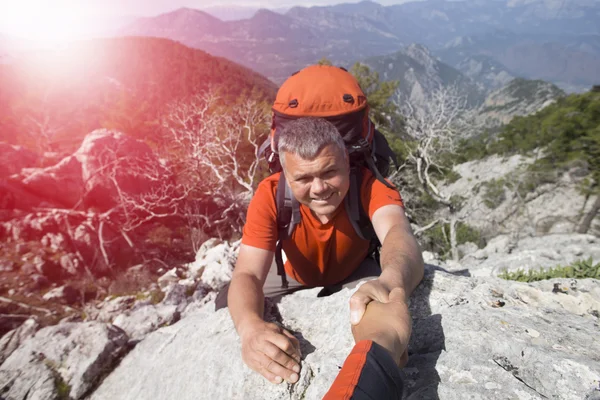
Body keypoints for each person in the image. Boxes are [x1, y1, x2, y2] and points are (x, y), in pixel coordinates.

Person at [215, 117, 424, 393]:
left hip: (354, 270)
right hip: (293, 274)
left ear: (347, 163)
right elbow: (248, 273)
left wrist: (391, 280)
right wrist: (250, 327)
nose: (319, 188)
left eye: (329, 172)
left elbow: (398, 234)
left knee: (378, 301)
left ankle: (373, 366)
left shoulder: (370, 186)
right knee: (228, 298)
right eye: (302, 178)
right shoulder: (271, 194)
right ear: (286, 177)